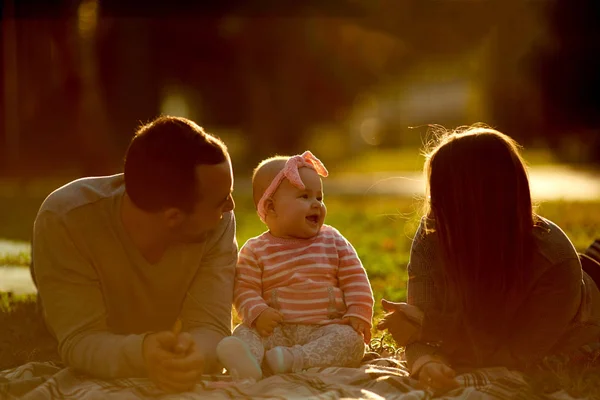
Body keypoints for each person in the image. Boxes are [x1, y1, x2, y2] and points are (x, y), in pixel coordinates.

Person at [377, 125, 600, 394]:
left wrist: (428, 328)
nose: (432, 205)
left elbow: (516, 355)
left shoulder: (554, 260)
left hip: (581, 306)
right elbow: (415, 325)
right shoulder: (434, 234)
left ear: (480, 203)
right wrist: (425, 363)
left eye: (443, 195)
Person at [31, 116, 237, 392]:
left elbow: (212, 328)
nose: (232, 206)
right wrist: (142, 354)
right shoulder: (65, 220)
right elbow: (80, 339)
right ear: (173, 217)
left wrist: (193, 356)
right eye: (222, 200)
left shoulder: (218, 223)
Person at [215, 151, 374, 380]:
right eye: (304, 197)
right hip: (275, 330)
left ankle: (291, 359)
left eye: (319, 198)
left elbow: (355, 278)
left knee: (351, 341)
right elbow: (243, 289)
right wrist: (258, 313)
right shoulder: (255, 250)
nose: (316, 205)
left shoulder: (333, 240)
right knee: (246, 332)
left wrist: (358, 310)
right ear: (270, 208)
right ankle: (247, 361)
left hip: (325, 328)